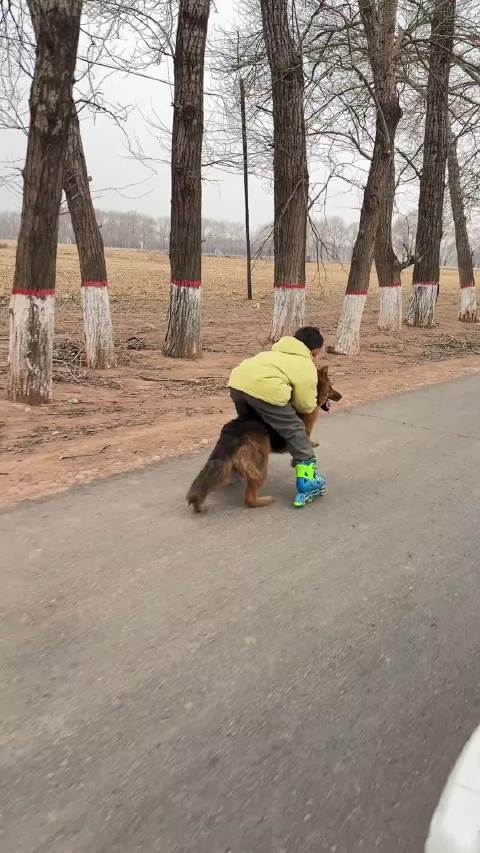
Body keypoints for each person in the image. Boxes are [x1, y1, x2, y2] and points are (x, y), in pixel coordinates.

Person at [228, 326, 326, 505]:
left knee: (252, 430)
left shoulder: (271, 353)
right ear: (316, 351)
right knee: (295, 428)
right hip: (264, 391)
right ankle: (308, 481)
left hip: (236, 385)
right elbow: (305, 405)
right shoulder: (305, 365)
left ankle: (232, 466)